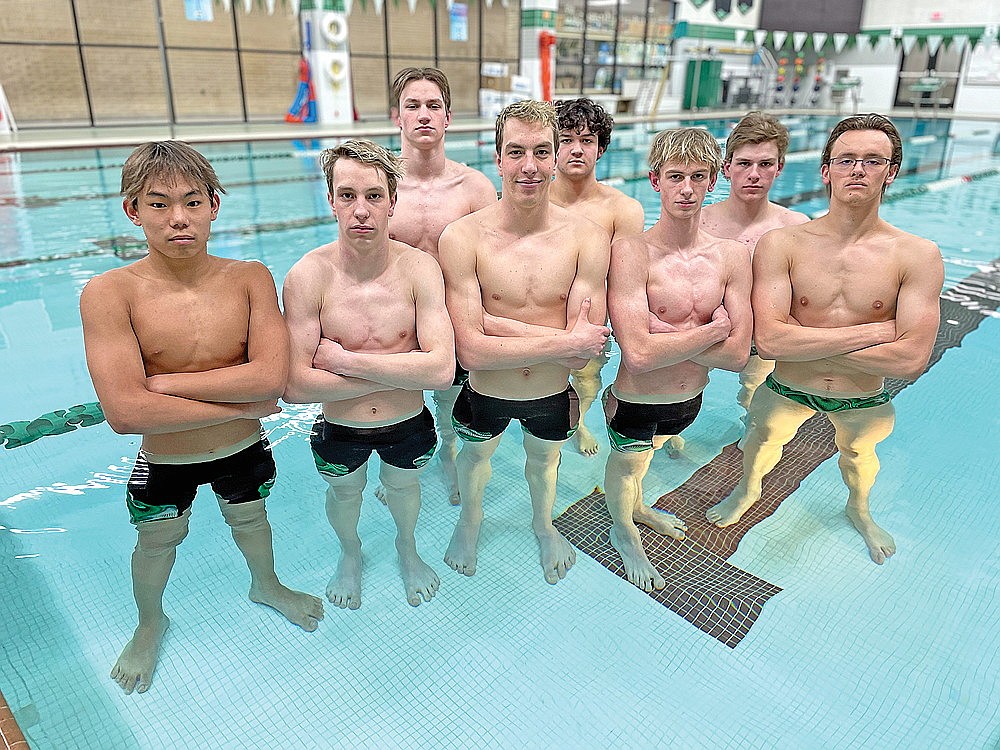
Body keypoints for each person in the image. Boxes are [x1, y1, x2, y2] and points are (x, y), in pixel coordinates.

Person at [80, 141, 323, 695]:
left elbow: (271, 379)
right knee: (157, 542)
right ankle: (150, 621)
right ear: (132, 211)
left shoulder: (249, 278)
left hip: (242, 450)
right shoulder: (109, 293)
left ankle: (267, 584)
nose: (179, 219)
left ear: (215, 204)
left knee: (253, 521)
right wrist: (249, 401)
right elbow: (123, 412)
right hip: (168, 460)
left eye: (192, 202)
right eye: (159, 204)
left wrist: (166, 385)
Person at [706, 114, 944, 565]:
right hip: (787, 386)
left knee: (858, 457)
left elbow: (911, 358)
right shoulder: (785, 244)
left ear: (891, 171)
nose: (858, 169)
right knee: (760, 441)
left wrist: (808, 338)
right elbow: (771, 341)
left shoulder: (917, 254)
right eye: (846, 159)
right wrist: (874, 332)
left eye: (872, 161)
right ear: (825, 170)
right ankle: (747, 491)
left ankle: (859, 508)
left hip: (862, 399)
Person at [438, 100, 612, 584]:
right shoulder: (462, 237)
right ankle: (470, 521)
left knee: (545, 461)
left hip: (552, 394)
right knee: (475, 458)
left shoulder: (588, 238)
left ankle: (543, 524)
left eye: (541, 151)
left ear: (556, 155)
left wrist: (496, 325)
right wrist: (560, 342)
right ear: (497, 159)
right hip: (486, 390)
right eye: (516, 152)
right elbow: (469, 351)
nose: (529, 166)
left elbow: (586, 347)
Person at [282, 140, 455, 609]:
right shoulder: (307, 277)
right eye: (347, 195)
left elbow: (441, 370)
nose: (361, 210)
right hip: (341, 426)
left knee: (403, 488)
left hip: (408, 423)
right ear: (331, 199)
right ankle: (351, 551)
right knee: (345, 493)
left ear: (393, 202)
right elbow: (295, 387)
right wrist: (404, 371)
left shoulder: (420, 269)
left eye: (374, 196)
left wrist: (347, 361)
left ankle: (406, 546)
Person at [604, 128, 752, 592]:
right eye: (675, 177)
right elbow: (640, 354)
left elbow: (737, 355)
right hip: (636, 399)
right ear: (655, 180)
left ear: (713, 181)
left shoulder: (731, 255)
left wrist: (667, 335)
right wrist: (711, 329)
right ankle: (623, 529)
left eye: (697, 176)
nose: (686, 189)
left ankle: (641, 508)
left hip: (691, 401)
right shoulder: (631, 252)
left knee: (643, 466)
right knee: (627, 464)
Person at [387, 67, 498, 505]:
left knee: (453, 401)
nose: (423, 115)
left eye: (433, 106)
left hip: (456, 319)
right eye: (413, 106)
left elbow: (495, 264)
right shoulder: (377, 186)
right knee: (396, 402)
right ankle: (399, 464)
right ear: (397, 116)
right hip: (394, 319)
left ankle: (449, 454)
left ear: (448, 117)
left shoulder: (474, 187)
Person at [701, 111, 809, 433]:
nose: (754, 174)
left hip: (762, 340)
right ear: (726, 168)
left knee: (755, 399)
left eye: (765, 164)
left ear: (780, 168)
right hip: (707, 333)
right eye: (744, 164)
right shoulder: (700, 223)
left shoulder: (795, 227)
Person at [550, 97, 645, 457]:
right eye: (566, 139)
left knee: (587, 383)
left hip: (591, 324)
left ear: (601, 149)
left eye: (587, 140)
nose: (576, 149)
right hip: (539, 320)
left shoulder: (622, 209)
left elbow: (626, 282)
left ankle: (582, 421)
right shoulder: (532, 201)